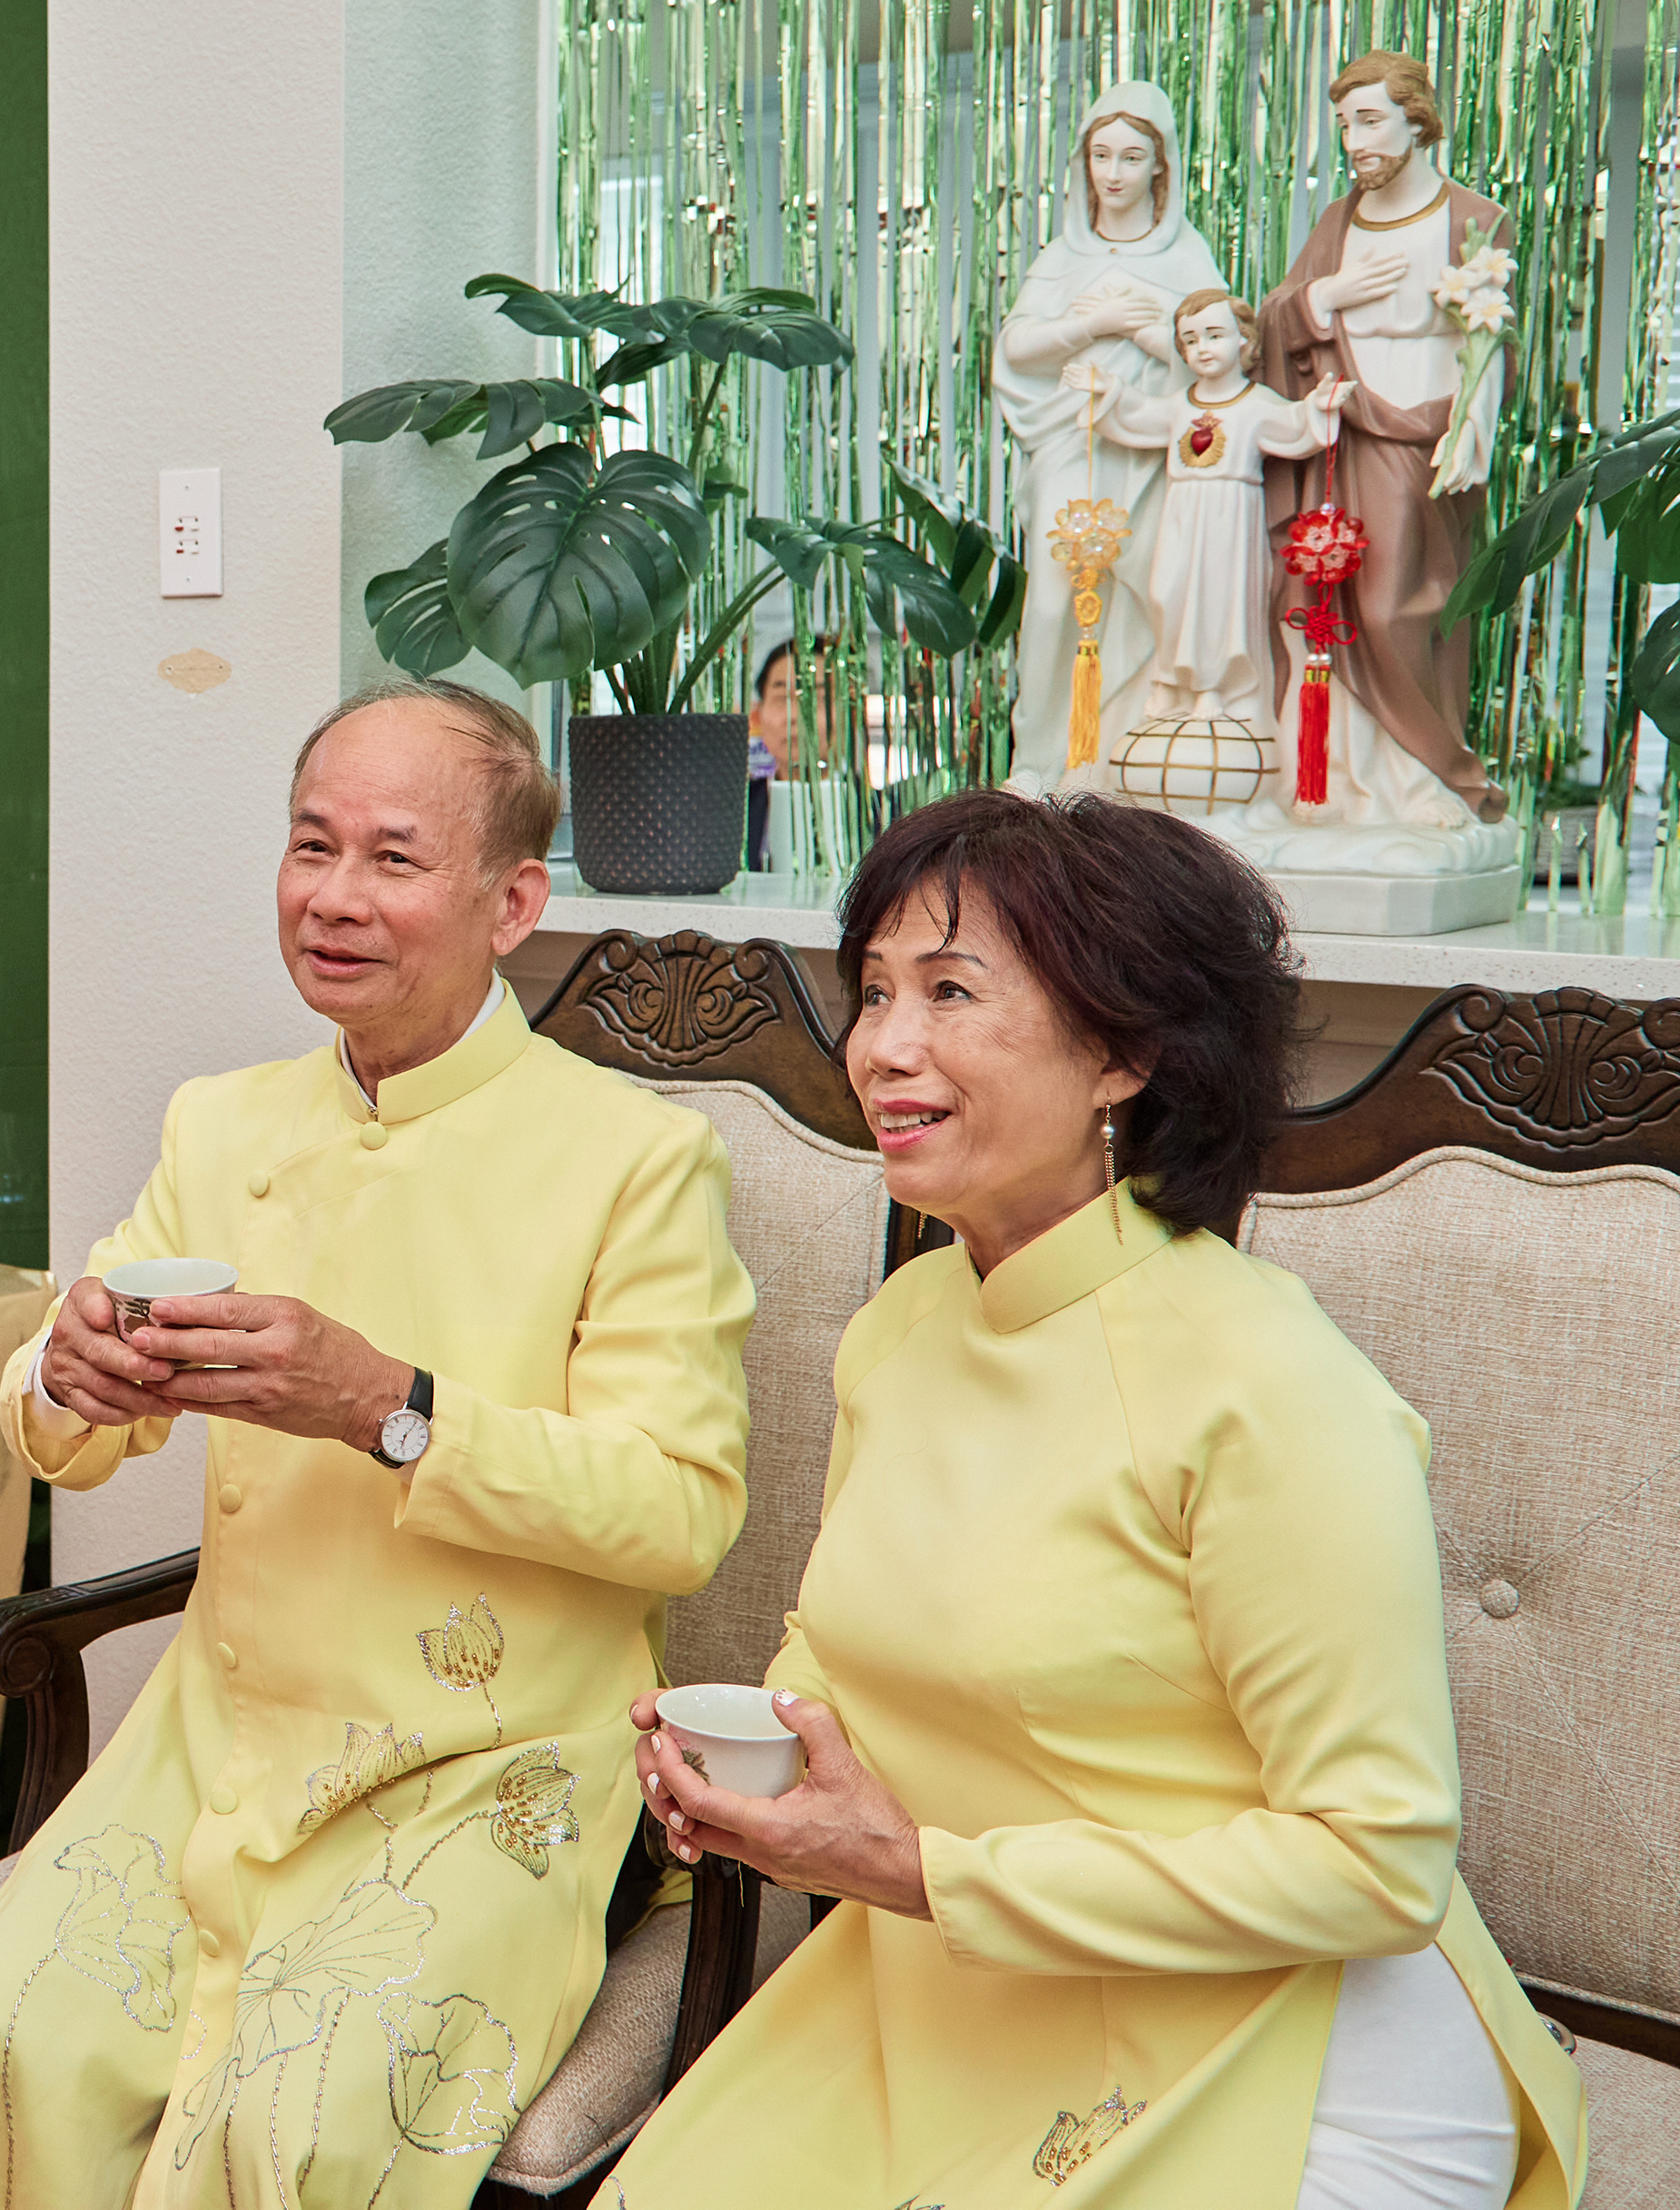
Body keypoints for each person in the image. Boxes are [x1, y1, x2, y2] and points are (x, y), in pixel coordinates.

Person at [605, 790, 1584, 2208]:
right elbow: (844, 1634)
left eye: (951, 992)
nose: (884, 1046)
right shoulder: (902, 1327)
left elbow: (1378, 1865)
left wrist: (925, 1873)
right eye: (874, 990)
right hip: (962, 1996)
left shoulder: (1267, 1388)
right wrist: (753, 1766)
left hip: (1291, 2045)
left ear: (1125, 1053)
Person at [0, 679, 756, 2207]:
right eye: (312, 846)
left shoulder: (637, 1160)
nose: (334, 898)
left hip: (488, 1765)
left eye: (393, 859)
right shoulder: (219, 1126)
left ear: (512, 903)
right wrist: (70, 1373)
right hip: (222, 1737)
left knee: (295, 2116)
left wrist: (386, 1406)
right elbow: (55, 1428)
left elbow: (679, 1513)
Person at [1262, 50, 1514, 827]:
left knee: (1404, 607)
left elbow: (1491, 341)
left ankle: (1430, 774)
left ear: (1418, 120)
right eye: (1345, 125)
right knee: (1330, 602)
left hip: (1426, 440)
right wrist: (1323, 297)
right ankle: (1345, 779)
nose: (1355, 141)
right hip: (1343, 438)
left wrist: (1474, 426)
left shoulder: (1473, 219)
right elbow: (1275, 318)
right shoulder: (1338, 223)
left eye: (1370, 121)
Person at [992, 81, 1222, 788]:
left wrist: (1148, 325)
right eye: (1100, 156)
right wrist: (1092, 323)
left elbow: (1218, 353)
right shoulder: (1064, 257)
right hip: (1073, 447)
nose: (1113, 173)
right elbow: (1017, 348)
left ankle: (1130, 756)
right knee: (1054, 598)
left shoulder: (1187, 258)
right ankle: (1039, 760)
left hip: (1153, 456)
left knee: (1154, 595)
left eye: (1131, 157)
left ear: (1161, 166)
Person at [1068, 292, 1350, 734]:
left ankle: (1214, 687)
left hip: (1231, 513)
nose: (1202, 348)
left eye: (1214, 335)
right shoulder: (1181, 404)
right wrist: (1110, 390)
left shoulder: (1255, 403)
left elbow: (1295, 424)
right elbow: (1141, 413)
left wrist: (1319, 405)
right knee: (1168, 592)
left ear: (1244, 339)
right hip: (1182, 509)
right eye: (1190, 340)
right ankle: (1170, 679)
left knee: (1220, 600)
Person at [744, 639, 794, 868]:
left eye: (820, 699)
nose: (795, 716)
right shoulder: (734, 810)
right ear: (758, 714)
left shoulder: (883, 814)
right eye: (782, 699)